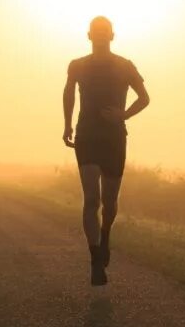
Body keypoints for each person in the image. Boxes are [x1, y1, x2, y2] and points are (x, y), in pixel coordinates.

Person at [62, 16, 150, 285]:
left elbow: (145, 98)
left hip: (114, 138)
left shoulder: (125, 66)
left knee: (109, 203)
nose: (100, 37)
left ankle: (105, 234)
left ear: (112, 36)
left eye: (105, 33)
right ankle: (95, 259)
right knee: (92, 200)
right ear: (89, 36)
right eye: (96, 33)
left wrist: (123, 115)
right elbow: (68, 94)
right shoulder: (77, 66)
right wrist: (67, 126)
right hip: (87, 136)